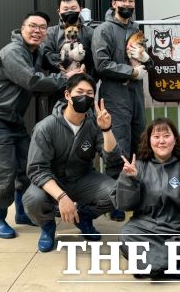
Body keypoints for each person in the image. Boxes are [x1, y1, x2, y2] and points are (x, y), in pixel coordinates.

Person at [0, 11, 76, 239]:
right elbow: (32, 81)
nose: (37, 30)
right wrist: (66, 78)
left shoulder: (36, 53)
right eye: (32, 26)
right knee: (1, 171)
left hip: (14, 118)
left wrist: (71, 59)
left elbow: (55, 62)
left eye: (42, 28)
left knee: (26, 166)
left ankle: (22, 213)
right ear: (22, 29)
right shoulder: (13, 52)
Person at [23, 73, 121, 252]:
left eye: (90, 93)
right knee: (32, 199)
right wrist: (62, 197)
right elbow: (37, 170)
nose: (85, 96)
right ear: (68, 95)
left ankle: (83, 217)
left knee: (117, 193)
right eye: (80, 91)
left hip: (82, 178)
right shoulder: (46, 127)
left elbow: (112, 159)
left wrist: (106, 129)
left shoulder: (93, 124)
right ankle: (47, 227)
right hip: (52, 181)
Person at [112, 118, 180, 281]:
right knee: (126, 235)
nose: (162, 141)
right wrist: (130, 180)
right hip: (145, 226)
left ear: (175, 140)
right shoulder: (137, 166)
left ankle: (150, 266)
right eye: (156, 137)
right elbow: (124, 205)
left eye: (166, 135)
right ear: (149, 140)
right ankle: (177, 268)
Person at [91, 0, 151, 221]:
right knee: (117, 147)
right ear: (114, 3)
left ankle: (134, 194)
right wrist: (130, 72)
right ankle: (114, 199)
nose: (127, 4)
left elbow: (146, 62)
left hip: (136, 95)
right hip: (115, 95)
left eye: (131, 1)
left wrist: (148, 59)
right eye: (122, 0)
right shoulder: (104, 30)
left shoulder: (136, 30)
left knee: (139, 142)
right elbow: (101, 63)